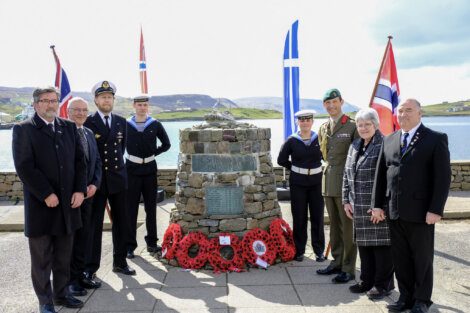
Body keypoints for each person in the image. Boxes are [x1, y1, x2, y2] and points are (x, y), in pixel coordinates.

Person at [372, 99, 451, 313]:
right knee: (401, 258)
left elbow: (443, 178)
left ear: (419, 113)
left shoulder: (435, 139)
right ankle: (405, 298)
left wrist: (436, 209)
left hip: (422, 213)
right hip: (394, 211)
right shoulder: (389, 140)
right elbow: (381, 176)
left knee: (422, 259)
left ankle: (422, 301)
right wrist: (377, 205)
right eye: (401, 110)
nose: (403, 114)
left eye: (409, 110)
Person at [12, 87, 87, 313]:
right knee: (42, 259)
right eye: (45, 101)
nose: (50, 104)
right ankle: (45, 301)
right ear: (36, 104)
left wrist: (80, 190)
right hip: (41, 206)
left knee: (64, 257)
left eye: (53, 100)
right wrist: (46, 193)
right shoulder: (24, 130)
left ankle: (61, 294)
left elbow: (80, 162)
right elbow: (24, 167)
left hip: (68, 205)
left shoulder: (69, 127)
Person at [84, 81, 136, 276]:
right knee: (94, 225)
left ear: (113, 100)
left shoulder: (121, 122)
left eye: (110, 97)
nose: (107, 100)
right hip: (96, 182)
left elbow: (121, 151)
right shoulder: (88, 122)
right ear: (96, 100)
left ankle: (120, 262)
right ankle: (91, 268)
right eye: (103, 97)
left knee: (122, 222)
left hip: (118, 179)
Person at [342, 108, 394, 299]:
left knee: (381, 249)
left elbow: (389, 179)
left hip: (377, 208)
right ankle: (366, 281)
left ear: (376, 124)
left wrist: (380, 206)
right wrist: (346, 200)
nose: (363, 128)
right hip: (357, 206)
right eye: (359, 124)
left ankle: (382, 286)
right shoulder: (355, 144)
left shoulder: (385, 144)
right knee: (364, 247)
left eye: (367, 124)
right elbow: (346, 175)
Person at [317, 88, 358, 283]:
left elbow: (358, 157)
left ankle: (349, 268)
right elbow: (325, 156)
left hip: (345, 183)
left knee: (347, 227)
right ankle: (337, 262)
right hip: (328, 182)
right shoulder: (324, 127)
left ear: (341, 101)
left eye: (334, 102)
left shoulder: (352, 126)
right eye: (327, 103)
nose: (331, 106)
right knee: (334, 226)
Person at [126, 94, 171, 258]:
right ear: (134, 106)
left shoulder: (155, 124)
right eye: (139, 105)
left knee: (151, 208)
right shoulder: (125, 124)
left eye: (145, 105)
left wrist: (154, 153)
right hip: (131, 169)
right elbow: (117, 145)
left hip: (150, 170)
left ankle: (152, 243)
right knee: (130, 209)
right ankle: (129, 246)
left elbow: (167, 144)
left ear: (148, 107)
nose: (142, 108)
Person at [277, 110, 325, 262]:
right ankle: (299, 250)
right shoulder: (292, 140)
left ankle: (319, 251)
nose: (304, 122)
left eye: (307, 119)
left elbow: (327, 155)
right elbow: (281, 159)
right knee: (299, 217)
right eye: (301, 120)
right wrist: (295, 168)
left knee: (317, 217)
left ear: (312, 121)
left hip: (317, 183)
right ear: (298, 122)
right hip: (298, 183)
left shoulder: (320, 138)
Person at [66, 97, 102, 294]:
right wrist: (78, 189)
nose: (80, 113)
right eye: (76, 110)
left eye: (84, 110)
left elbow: (96, 161)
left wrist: (95, 184)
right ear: (68, 112)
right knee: (70, 240)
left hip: (89, 195)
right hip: (72, 197)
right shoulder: (63, 133)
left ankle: (80, 276)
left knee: (84, 238)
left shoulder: (88, 132)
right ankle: (70, 281)